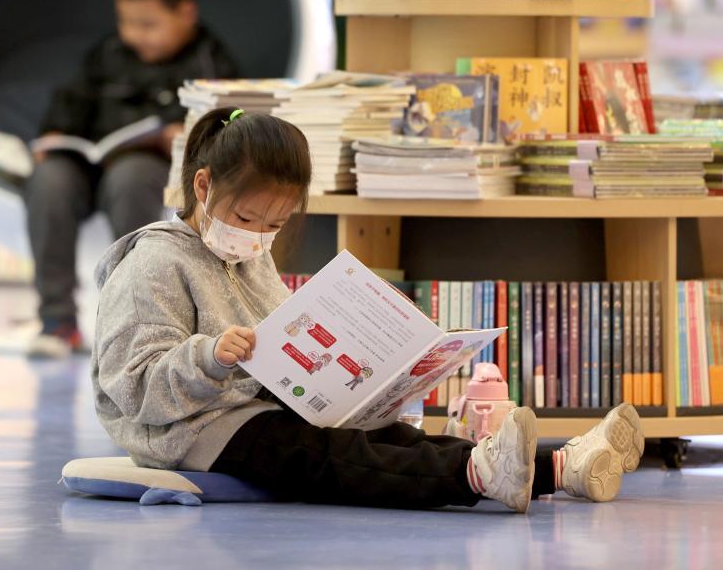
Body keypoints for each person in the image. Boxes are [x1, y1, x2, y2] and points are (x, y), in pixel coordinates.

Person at [90, 108, 646, 511]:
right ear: (202, 186)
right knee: (329, 454)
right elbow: (131, 388)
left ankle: (558, 466)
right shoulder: (153, 264)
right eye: (247, 218)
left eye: (275, 224)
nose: (258, 236)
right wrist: (209, 356)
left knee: (390, 437)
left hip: (260, 407)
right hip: (194, 430)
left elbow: (284, 340)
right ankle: (478, 474)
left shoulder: (249, 254)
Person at [26, 0, 237, 358]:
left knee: (132, 177)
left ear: (186, 14)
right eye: (125, 21)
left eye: (148, 24)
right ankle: (57, 321)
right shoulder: (108, 54)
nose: (134, 34)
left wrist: (182, 136)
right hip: (87, 165)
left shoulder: (209, 61)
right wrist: (53, 134)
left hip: (144, 168)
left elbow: (228, 126)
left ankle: (130, 324)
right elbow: (71, 103)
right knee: (49, 180)